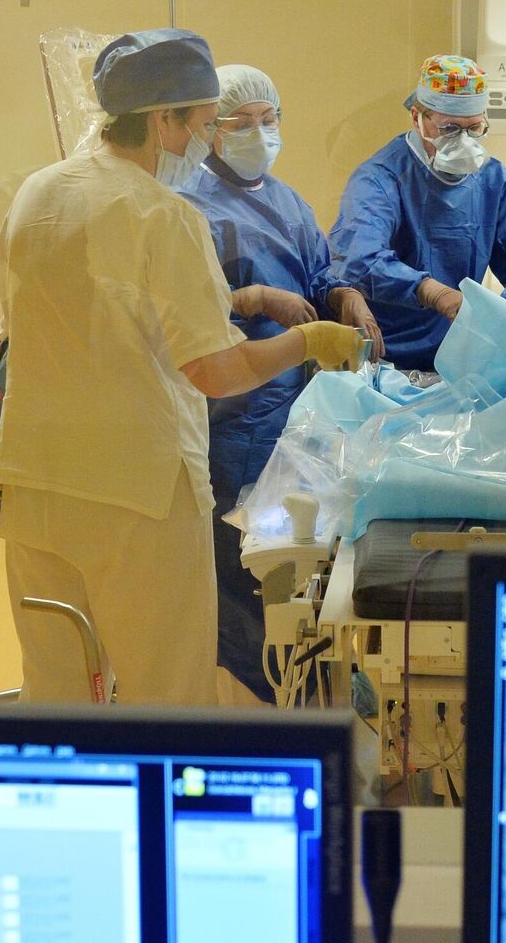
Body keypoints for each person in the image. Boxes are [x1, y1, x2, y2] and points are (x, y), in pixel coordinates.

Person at [0, 29, 363, 706]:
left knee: (56, 685)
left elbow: (55, 315)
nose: (205, 143)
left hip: (36, 484)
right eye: (204, 124)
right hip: (137, 495)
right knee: (166, 690)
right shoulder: (163, 215)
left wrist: (243, 300)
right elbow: (216, 372)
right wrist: (309, 343)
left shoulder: (38, 193)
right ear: (164, 119)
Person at [180, 64, 382, 703]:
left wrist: (343, 295)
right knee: (240, 556)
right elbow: (183, 310)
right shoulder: (187, 204)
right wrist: (256, 298)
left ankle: (301, 674)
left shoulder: (288, 200)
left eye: (269, 121)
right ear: (211, 129)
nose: (259, 133)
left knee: (296, 549)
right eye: (242, 123)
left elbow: (319, 271)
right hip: (231, 411)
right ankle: (255, 688)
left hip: (291, 406)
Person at [327, 54, 506, 371]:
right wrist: (431, 292)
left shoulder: (493, 181)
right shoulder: (380, 179)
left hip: (462, 357)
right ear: (417, 118)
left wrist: (499, 320)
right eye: (449, 128)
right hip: (388, 360)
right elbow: (360, 259)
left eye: (474, 128)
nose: (463, 141)